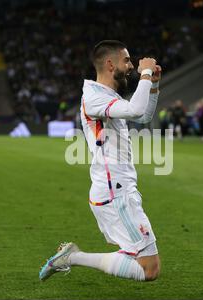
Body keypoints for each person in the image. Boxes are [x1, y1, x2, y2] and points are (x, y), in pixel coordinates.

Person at [39, 40, 161, 282]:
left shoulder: (106, 95)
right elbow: (137, 110)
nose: (130, 66)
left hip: (117, 189)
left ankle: (71, 257)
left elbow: (143, 114)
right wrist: (145, 72)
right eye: (126, 60)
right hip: (115, 191)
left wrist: (154, 85)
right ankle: (72, 258)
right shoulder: (94, 97)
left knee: (142, 261)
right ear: (109, 63)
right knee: (148, 269)